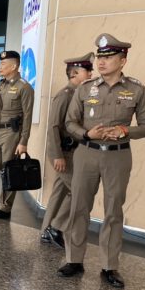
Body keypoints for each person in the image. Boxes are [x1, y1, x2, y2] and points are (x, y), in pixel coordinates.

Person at [57, 34, 145, 288]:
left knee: (113, 211)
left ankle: (109, 266)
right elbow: (69, 122)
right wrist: (86, 134)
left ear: (123, 60)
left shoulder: (135, 89)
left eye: (109, 57)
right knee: (79, 207)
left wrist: (126, 131)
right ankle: (73, 259)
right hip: (87, 153)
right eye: (100, 56)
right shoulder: (85, 88)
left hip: (118, 156)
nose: (101, 61)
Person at [40, 53, 94, 248]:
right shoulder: (65, 95)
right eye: (87, 70)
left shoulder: (79, 94)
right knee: (79, 192)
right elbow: (53, 126)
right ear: (74, 73)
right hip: (63, 153)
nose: (91, 73)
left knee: (60, 191)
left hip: (71, 152)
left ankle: (47, 231)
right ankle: (56, 227)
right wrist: (57, 156)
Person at [0, 50, 34, 219]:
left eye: (3, 64)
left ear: (14, 66)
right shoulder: (0, 85)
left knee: (7, 169)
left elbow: (28, 116)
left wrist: (23, 141)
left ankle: (4, 206)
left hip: (11, 133)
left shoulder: (24, 87)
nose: (0, 67)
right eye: (0, 64)